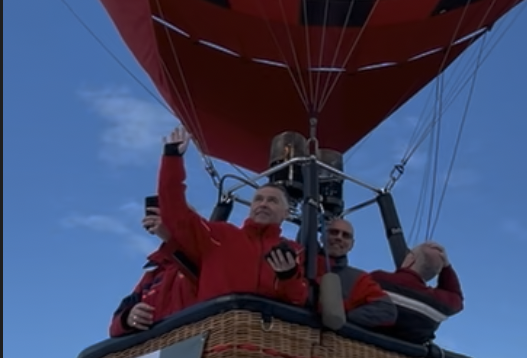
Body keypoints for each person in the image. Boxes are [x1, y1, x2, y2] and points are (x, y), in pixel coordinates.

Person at [157, 126, 309, 307]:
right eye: (258, 199)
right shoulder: (218, 236)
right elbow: (175, 212)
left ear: (285, 213)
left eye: (272, 201)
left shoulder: (294, 251)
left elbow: (298, 299)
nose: (263, 204)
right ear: (250, 206)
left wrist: (288, 277)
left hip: (265, 332)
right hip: (219, 329)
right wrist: (172, 158)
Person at [109, 206, 199, 337]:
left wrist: (171, 240)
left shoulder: (205, 259)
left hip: (197, 341)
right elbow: (115, 327)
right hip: (160, 350)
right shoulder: (151, 274)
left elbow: (199, 270)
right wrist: (128, 318)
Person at [315, 217, 397, 334]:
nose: (339, 237)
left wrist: (344, 316)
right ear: (322, 236)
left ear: (351, 245)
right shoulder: (301, 260)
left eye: (345, 235)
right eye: (333, 232)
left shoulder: (358, 279)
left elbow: (386, 311)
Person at [370, 241, 464, 344]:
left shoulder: (378, 279)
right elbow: (456, 297)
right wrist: (446, 267)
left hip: (361, 351)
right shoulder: (438, 303)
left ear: (411, 259)